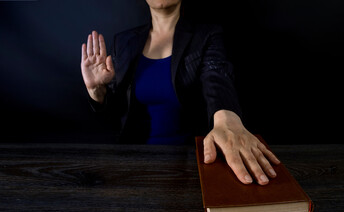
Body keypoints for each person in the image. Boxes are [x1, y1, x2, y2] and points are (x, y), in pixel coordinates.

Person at [80, 0, 280, 185]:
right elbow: (115, 116)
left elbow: (217, 77)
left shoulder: (206, 35)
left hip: (190, 168)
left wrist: (227, 120)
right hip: (131, 167)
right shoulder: (123, 42)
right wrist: (96, 90)